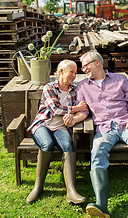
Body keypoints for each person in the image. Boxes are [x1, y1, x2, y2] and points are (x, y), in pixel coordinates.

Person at [63, 51, 128, 218]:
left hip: (126, 122)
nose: (83, 69)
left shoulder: (120, 79)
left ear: (97, 63)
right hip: (104, 128)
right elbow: (83, 110)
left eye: (86, 65)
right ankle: (101, 204)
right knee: (97, 152)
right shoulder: (83, 86)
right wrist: (73, 120)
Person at [26, 59, 88, 205]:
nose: (74, 75)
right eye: (71, 71)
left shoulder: (74, 90)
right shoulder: (49, 87)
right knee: (46, 144)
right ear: (61, 71)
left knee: (67, 145)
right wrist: (75, 109)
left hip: (61, 127)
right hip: (43, 124)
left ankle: (71, 191)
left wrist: (73, 117)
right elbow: (55, 109)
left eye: (75, 72)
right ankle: (38, 187)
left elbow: (85, 108)